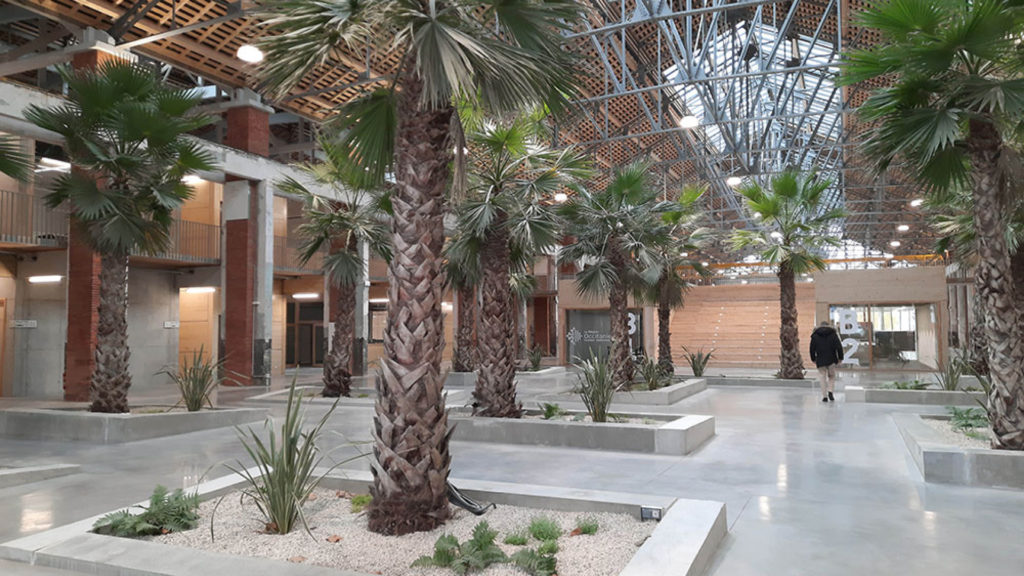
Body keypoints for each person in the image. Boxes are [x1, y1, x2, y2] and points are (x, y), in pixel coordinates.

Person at [809, 320, 844, 402]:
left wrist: (813, 358)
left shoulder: (815, 335)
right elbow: (839, 347)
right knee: (832, 376)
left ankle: (824, 396)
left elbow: (811, 349)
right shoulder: (833, 334)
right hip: (832, 359)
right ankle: (830, 391)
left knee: (822, 377)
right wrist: (840, 358)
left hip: (820, 359)